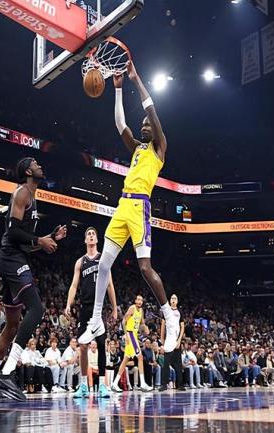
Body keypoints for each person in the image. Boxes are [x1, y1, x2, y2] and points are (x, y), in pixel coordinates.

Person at [79, 60, 177, 345]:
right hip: (122, 206)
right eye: (142, 124)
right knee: (103, 264)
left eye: (147, 125)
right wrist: (118, 89)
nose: (144, 126)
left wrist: (135, 79)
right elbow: (120, 124)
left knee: (145, 268)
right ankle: (96, 321)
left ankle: (169, 318)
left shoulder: (159, 148)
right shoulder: (137, 148)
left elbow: (151, 110)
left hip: (140, 208)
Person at [0, 157, 67, 402]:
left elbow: (25, 243)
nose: (41, 166)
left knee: (12, 326)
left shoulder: (33, 196)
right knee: (37, 310)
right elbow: (13, 232)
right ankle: (7, 373)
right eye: (36, 164)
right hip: (11, 259)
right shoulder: (22, 193)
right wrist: (40, 240)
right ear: (28, 171)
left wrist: (49, 238)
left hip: (16, 257)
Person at [65, 227, 117, 399]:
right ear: (85, 240)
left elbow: (110, 284)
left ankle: (102, 385)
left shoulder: (103, 259)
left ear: (97, 239)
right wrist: (68, 304)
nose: (91, 236)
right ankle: (83, 386)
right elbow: (74, 285)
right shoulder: (80, 262)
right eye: (88, 234)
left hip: (99, 308)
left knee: (101, 345)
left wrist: (115, 307)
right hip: (85, 307)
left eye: (94, 234)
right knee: (83, 345)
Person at [110, 295, 153, 392]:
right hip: (130, 334)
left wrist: (145, 328)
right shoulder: (132, 308)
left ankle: (114, 383)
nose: (140, 301)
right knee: (140, 357)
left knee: (125, 360)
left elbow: (142, 323)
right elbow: (123, 321)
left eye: (141, 300)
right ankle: (143, 384)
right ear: (135, 301)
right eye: (138, 299)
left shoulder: (141, 310)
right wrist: (126, 335)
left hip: (134, 335)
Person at [159, 294, 185, 391]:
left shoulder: (180, 312)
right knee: (166, 363)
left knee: (178, 364)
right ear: (170, 300)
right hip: (168, 341)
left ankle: (180, 385)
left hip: (176, 340)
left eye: (175, 298)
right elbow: (163, 325)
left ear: (177, 301)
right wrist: (162, 339)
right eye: (172, 298)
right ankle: (164, 385)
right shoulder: (166, 311)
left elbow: (182, 327)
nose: (173, 300)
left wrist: (179, 340)